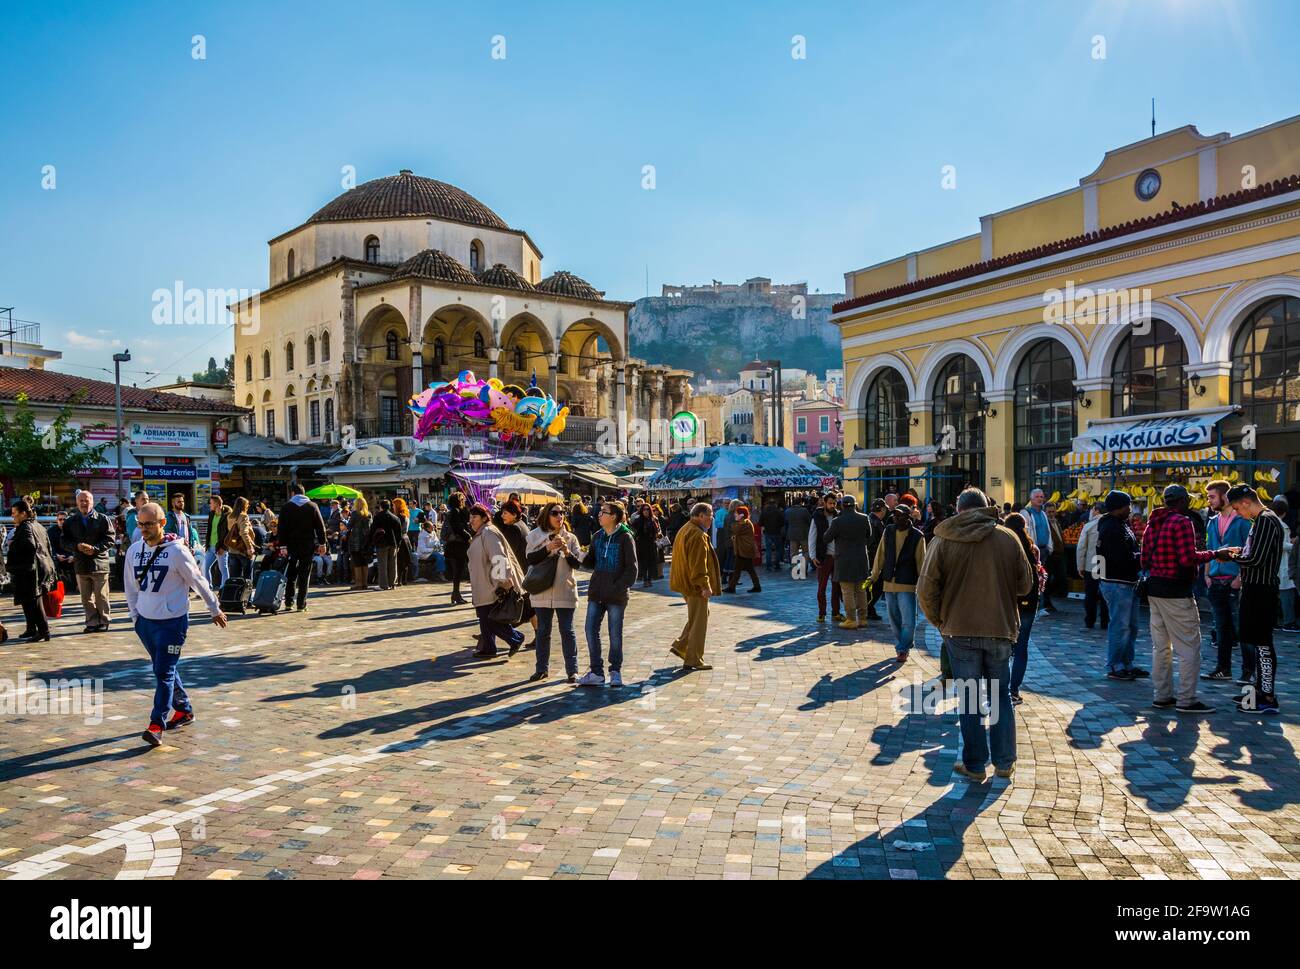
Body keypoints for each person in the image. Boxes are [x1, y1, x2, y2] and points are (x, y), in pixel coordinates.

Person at [916, 487, 1033, 782]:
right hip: (1000, 628)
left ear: (959, 510)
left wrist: (940, 621)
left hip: (959, 629)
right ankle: (1005, 762)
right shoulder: (1008, 538)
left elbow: (926, 590)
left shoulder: (944, 539)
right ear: (985, 508)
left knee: (969, 698)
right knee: (1000, 696)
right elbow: (1025, 585)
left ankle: (975, 764)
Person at [124, 501, 228, 747]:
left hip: (172, 622)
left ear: (162, 523)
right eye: (140, 524)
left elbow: (198, 581)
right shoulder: (134, 550)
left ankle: (156, 724)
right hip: (145, 622)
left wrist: (214, 608)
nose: (143, 529)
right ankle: (184, 709)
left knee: (163, 672)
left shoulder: (177, 552)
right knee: (164, 668)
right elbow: (130, 586)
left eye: (149, 524)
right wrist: (135, 616)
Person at [1140, 485, 1224, 714]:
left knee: (1161, 647)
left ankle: (1162, 695)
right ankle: (1187, 699)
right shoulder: (1182, 522)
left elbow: (1144, 559)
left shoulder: (1152, 523)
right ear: (1182, 500)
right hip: (1176, 591)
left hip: (1154, 589)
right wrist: (1215, 554)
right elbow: (1187, 558)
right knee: (1188, 647)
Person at [1223, 484, 1285, 714]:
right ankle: (1259, 692)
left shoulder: (1267, 520)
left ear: (1247, 503)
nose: (1238, 513)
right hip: (1253, 588)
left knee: (1262, 643)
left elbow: (1256, 559)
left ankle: (1267, 696)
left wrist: (1231, 556)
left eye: (1238, 508)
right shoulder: (1258, 522)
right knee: (1255, 642)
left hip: (1262, 589)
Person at [576, 501, 638, 686]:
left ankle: (615, 671)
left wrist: (618, 586)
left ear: (613, 517)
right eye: (600, 511)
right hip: (596, 592)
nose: (599, 514)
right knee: (590, 629)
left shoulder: (625, 537)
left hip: (616, 595)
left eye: (604, 512)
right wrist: (576, 555)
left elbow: (632, 569)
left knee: (615, 633)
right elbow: (590, 563)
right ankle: (596, 672)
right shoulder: (597, 536)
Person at [524, 501, 584, 682]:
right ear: (546, 516)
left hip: (564, 590)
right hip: (541, 591)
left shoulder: (571, 537)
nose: (559, 516)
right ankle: (541, 669)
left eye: (562, 513)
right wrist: (547, 548)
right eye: (555, 513)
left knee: (567, 630)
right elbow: (530, 559)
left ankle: (572, 670)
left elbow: (577, 564)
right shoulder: (535, 535)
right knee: (543, 631)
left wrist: (566, 551)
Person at [1202, 479, 1252, 682]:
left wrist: (1240, 577)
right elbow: (1209, 549)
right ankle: (1223, 668)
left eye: (1212, 496)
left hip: (1234, 580)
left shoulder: (1242, 522)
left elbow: (1249, 551)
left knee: (1243, 627)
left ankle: (1248, 671)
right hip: (1215, 580)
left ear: (1224, 496)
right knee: (1221, 628)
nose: (1209, 500)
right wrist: (1206, 574)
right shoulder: (1212, 521)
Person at [1095, 490, 1147, 681]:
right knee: (1120, 626)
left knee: (1131, 626)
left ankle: (1127, 663)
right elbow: (1117, 557)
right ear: (1119, 507)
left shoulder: (1119, 525)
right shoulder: (1111, 528)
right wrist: (1140, 558)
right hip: (1117, 583)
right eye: (1128, 505)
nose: (1130, 509)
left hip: (1126, 582)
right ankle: (1115, 665)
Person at [868, 501, 926, 663]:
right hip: (889, 582)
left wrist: (923, 585)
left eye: (901, 515)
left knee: (908, 620)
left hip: (907, 583)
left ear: (908, 517)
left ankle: (903, 648)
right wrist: (874, 575)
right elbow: (881, 554)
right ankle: (903, 644)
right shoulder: (889, 531)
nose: (897, 518)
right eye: (896, 515)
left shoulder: (917, 536)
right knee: (894, 619)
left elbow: (922, 562)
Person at [466, 502, 525, 658]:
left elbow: (499, 558)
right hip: (482, 584)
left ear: (485, 518)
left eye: (475, 517)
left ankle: (516, 638)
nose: (471, 520)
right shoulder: (480, 533)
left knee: (491, 619)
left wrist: (502, 582)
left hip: (491, 586)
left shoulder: (489, 533)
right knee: (484, 619)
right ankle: (489, 647)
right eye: (470, 517)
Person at [668, 501, 720, 672]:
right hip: (693, 584)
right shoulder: (697, 534)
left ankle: (681, 645)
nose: (711, 519)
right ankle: (693, 658)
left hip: (685, 582)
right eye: (710, 516)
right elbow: (698, 565)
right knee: (699, 620)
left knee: (700, 615)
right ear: (700, 516)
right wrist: (704, 585)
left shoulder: (687, 528)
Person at [1004, 513, 1045, 704]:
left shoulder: (1004, 548)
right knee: (1021, 647)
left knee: (1003, 646)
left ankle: (1002, 688)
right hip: (1028, 603)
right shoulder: (1032, 549)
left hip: (1007, 603)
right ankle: (1014, 689)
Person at [62, 489, 116, 633]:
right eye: (81, 501)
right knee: (86, 597)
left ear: (92, 502)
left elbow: (110, 539)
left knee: (101, 596)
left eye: (87, 500)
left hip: (99, 563)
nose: (84, 503)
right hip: (81, 563)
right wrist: (76, 546)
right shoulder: (70, 521)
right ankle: (91, 622)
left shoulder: (103, 519)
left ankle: (104, 620)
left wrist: (95, 548)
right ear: (77, 503)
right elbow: (64, 540)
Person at [5, 498, 57, 642]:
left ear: (23, 513)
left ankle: (43, 630)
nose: (12, 516)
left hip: (31, 570)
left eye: (14, 513)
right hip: (41, 566)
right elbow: (47, 546)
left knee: (34, 600)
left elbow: (29, 546)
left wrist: (13, 546)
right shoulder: (38, 525)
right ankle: (32, 628)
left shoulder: (26, 527)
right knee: (30, 600)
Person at [823, 495, 873, 629]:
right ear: (854, 505)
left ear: (842, 506)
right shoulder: (864, 518)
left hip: (844, 560)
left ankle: (851, 619)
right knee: (861, 590)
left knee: (847, 591)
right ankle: (863, 619)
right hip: (861, 558)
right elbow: (869, 535)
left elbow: (826, 538)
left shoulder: (837, 521)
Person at [277, 484, 328, 611]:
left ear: (293, 493)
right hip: (307, 544)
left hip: (291, 545)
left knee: (291, 574)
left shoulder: (286, 507)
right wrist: (323, 544)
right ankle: (301, 604)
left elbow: (281, 529)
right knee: (305, 575)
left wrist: (282, 546)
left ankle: (288, 603)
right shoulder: (312, 506)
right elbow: (320, 527)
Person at [494, 499, 535, 651]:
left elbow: (507, 553)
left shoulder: (513, 529)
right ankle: (537, 635)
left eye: (505, 513)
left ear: (514, 514)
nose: (502, 516)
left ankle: (500, 631)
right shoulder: (523, 525)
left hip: (520, 573)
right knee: (530, 607)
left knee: (523, 607)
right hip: (526, 571)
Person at [1019, 489, 1057, 615]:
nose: (1040, 499)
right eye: (1037, 497)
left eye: (1042, 496)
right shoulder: (1026, 513)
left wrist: (1049, 547)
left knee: (1043, 578)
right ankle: (1034, 606)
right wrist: (1031, 549)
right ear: (1031, 499)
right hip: (1034, 551)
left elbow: (1048, 531)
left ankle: (1041, 605)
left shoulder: (1043, 514)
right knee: (1034, 579)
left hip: (1044, 550)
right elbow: (1026, 533)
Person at [808, 492, 844, 623]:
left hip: (837, 557)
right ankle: (821, 613)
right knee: (821, 587)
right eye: (830, 503)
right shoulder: (817, 517)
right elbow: (812, 536)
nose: (832, 505)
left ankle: (836, 613)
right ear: (824, 503)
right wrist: (812, 556)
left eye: (834, 503)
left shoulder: (839, 516)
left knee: (836, 587)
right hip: (823, 557)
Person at [1074, 504, 1110, 630]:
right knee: (1106, 594)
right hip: (1108, 563)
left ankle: (1090, 620)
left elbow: (1081, 547)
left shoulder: (1089, 526)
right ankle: (1105, 621)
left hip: (1094, 562)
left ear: (1096, 510)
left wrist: (1080, 565)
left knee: (1091, 593)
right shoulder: (1112, 524)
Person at [441, 492, 472, 605]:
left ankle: (456, 594)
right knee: (458, 571)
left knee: (457, 572)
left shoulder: (452, 512)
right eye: (462, 499)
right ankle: (456, 594)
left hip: (452, 545)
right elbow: (458, 528)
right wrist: (468, 537)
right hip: (458, 546)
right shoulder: (456, 512)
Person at [368, 499, 405, 592]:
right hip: (393, 543)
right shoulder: (395, 518)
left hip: (381, 543)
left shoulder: (377, 517)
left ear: (381, 507)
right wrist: (398, 544)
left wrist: (372, 542)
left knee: (382, 564)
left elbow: (372, 530)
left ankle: (383, 585)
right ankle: (392, 583)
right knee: (393, 564)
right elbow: (399, 533)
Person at [725, 505, 761, 593]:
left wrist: (738, 519)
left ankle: (732, 587)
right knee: (745, 569)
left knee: (740, 569)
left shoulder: (745, 523)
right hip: (743, 550)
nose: (735, 515)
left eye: (737, 513)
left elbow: (735, 529)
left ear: (741, 515)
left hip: (745, 550)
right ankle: (756, 586)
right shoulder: (743, 522)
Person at [864, 497, 888, 620]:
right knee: (877, 586)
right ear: (882, 510)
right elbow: (879, 543)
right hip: (875, 559)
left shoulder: (867, 519)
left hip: (868, 557)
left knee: (871, 585)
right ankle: (867, 607)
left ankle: (868, 608)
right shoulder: (877, 522)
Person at [223, 496, 257, 581]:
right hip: (243, 549)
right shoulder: (243, 516)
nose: (248, 506)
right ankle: (246, 594)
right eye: (247, 505)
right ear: (243, 506)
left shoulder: (229, 516)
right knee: (247, 578)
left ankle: (235, 594)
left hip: (232, 548)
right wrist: (249, 548)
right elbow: (243, 533)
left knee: (234, 578)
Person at [630, 500, 661, 588]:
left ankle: (649, 579)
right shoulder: (637, 520)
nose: (646, 511)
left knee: (651, 561)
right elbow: (632, 531)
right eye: (644, 509)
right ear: (641, 511)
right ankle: (645, 579)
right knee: (643, 562)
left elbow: (659, 529)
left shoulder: (654, 519)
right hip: (641, 543)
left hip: (652, 543)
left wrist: (659, 534)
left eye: (647, 509)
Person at [347, 496, 373, 590]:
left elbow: (349, 526)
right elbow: (369, 529)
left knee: (357, 563)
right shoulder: (369, 514)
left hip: (355, 542)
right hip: (366, 542)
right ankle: (365, 584)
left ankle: (358, 584)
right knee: (364, 563)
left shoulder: (354, 514)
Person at [759, 498, 785, 572]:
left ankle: (768, 566)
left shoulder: (764, 511)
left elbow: (760, 523)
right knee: (778, 549)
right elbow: (783, 522)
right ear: (775, 504)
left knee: (768, 549)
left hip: (768, 532)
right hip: (777, 532)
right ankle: (777, 565)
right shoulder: (778, 511)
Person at [785, 497, 812, 566]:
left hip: (792, 535)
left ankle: (795, 569)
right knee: (805, 552)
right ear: (800, 503)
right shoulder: (804, 510)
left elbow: (786, 522)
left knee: (793, 553)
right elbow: (810, 521)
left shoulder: (788, 511)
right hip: (804, 534)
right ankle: (804, 567)